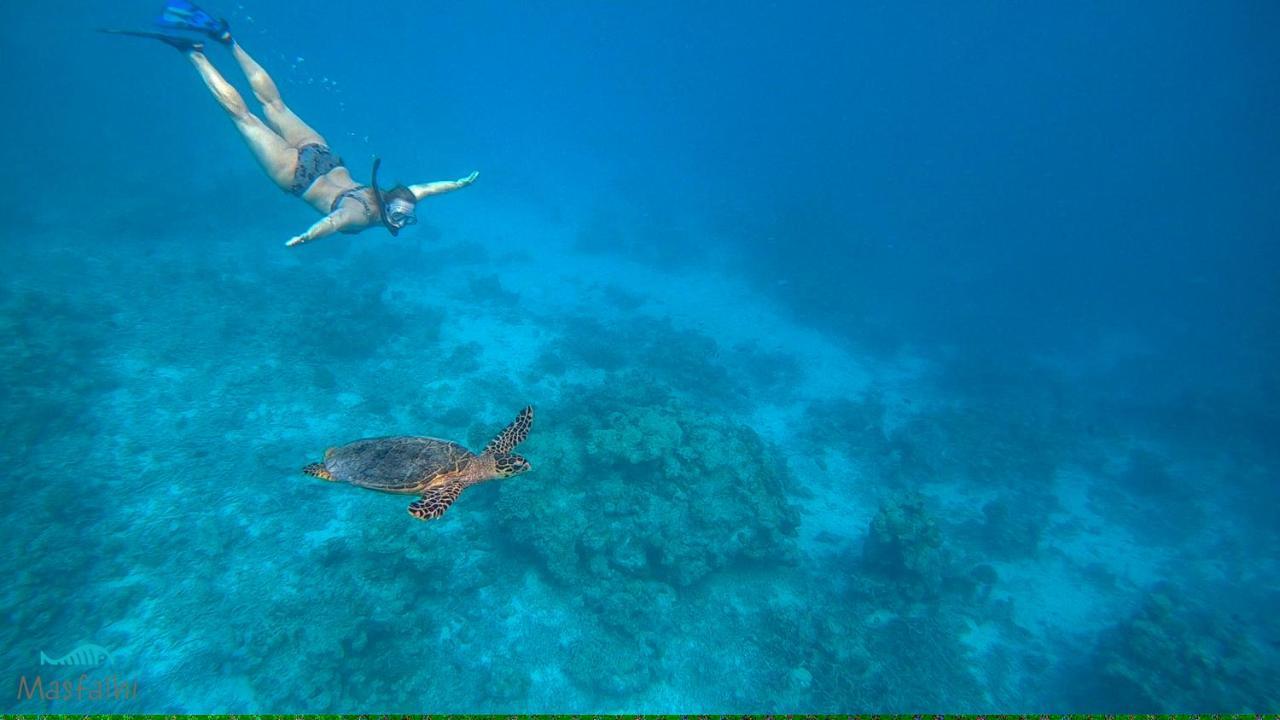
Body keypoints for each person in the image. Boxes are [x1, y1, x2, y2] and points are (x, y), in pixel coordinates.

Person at [102, 0, 479, 248]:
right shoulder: (360, 217)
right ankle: (195, 55)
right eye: (402, 220)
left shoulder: (390, 196)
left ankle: (229, 41)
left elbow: (427, 189)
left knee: (273, 104)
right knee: (242, 116)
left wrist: (458, 184)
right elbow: (332, 223)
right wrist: (306, 238)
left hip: (326, 157)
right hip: (296, 176)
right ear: (391, 212)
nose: (401, 223)